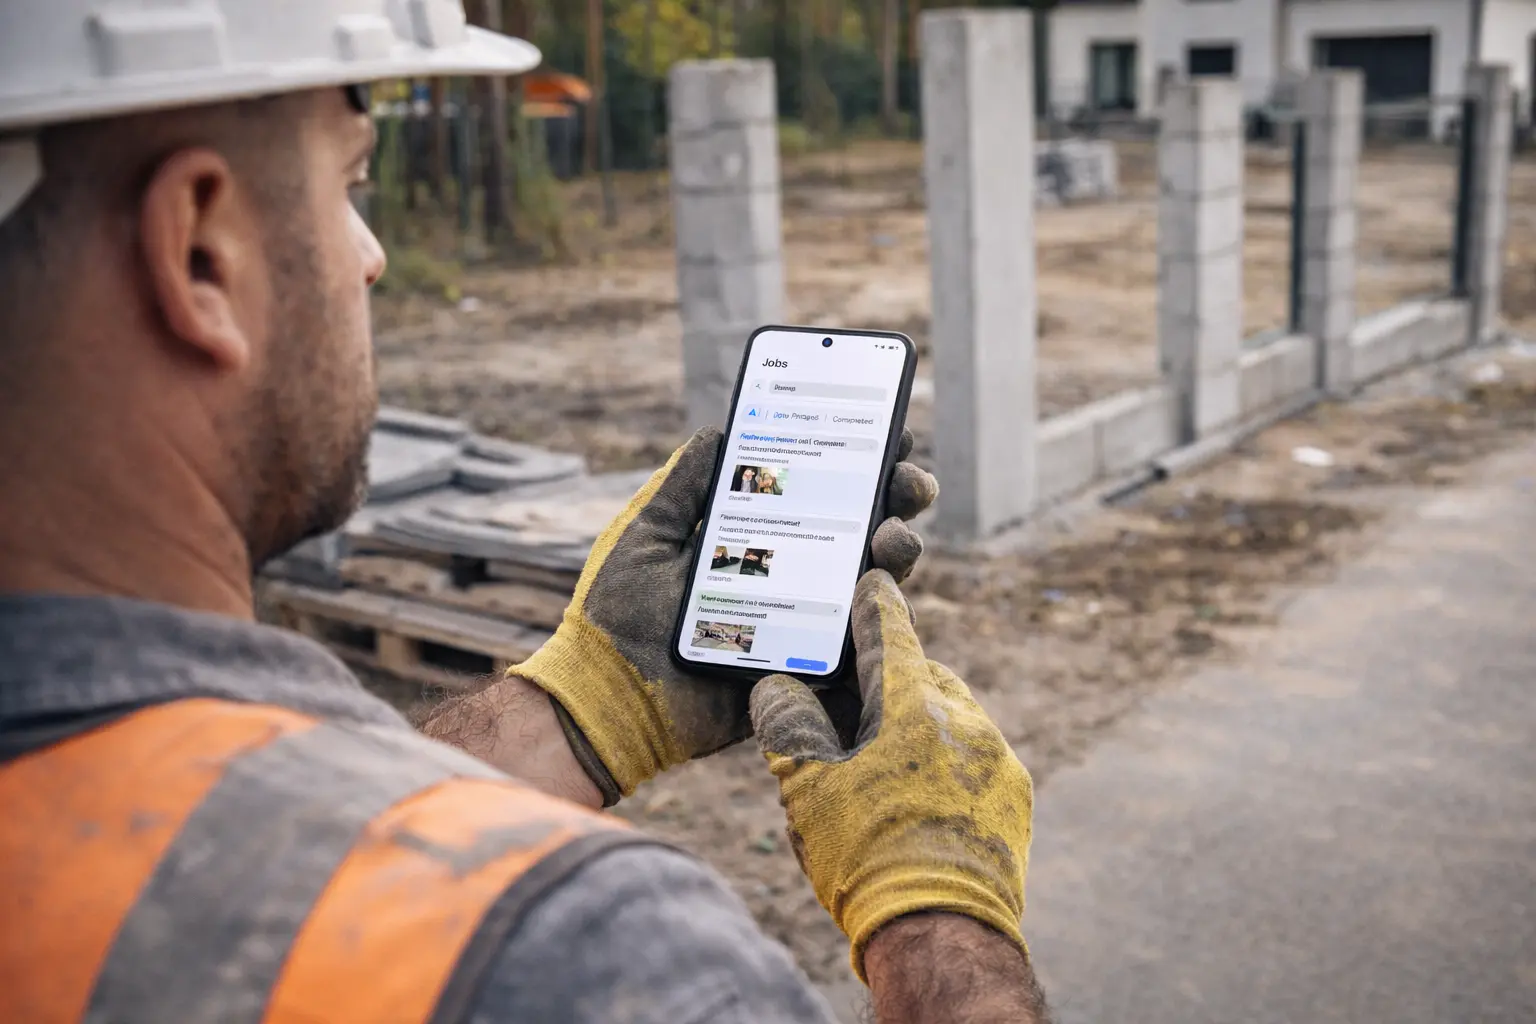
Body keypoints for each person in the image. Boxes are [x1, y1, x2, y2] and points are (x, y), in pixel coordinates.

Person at [0, 3, 1048, 1022]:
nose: (370, 253)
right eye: (349, 181)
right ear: (199, 251)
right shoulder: (578, 957)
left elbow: (235, 858)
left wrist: (582, 705)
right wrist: (940, 926)